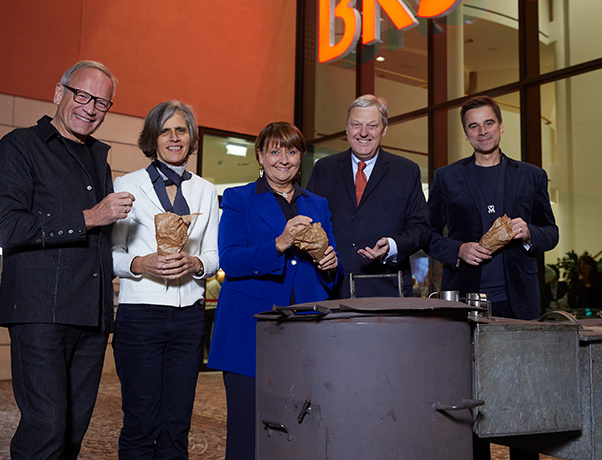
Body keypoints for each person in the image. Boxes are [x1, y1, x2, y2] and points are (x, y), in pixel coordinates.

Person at [0, 60, 134, 459]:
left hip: (90, 317)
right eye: (82, 96)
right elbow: (8, 228)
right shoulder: (18, 146)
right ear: (59, 93)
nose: (90, 108)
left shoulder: (97, 160)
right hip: (39, 313)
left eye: (102, 103)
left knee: (71, 432)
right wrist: (92, 216)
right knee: (45, 429)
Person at [427, 95, 558, 460]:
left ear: (501, 126)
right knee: (471, 396)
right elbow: (427, 233)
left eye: (488, 123)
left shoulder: (531, 176)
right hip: (467, 305)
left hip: (519, 304)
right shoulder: (447, 177)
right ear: (466, 133)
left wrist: (529, 232)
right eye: (473, 126)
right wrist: (458, 249)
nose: (482, 131)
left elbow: (552, 231)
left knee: (521, 395)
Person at [207, 122, 341, 460]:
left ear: (301, 157)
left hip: (305, 333)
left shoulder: (318, 203)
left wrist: (329, 265)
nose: (283, 159)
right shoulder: (238, 198)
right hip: (249, 333)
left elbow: (330, 269)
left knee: (299, 430)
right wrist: (280, 243)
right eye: (275, 150)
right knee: (246, 433)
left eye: (292, 151)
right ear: (261, 156)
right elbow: (231, 261)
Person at [111, 100, 219, 459]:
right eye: (165, 130)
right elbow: (111, 254)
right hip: (140, 315)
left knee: (177, 423)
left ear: (191, 138)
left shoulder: (205, 189)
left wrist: (195, 263)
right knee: (141, 422)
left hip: (188, 317)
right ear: (153, 138)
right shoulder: (127, 184)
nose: (174, 138)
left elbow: (213, 254)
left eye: (181, 130)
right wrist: (141, 264)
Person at [306, 94, 430, 298]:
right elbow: (311, 224)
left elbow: (422, 229)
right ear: (347, 128)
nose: (363, 133)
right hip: (332, 290)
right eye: (356, 125)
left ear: (384, 129)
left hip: (386, 291)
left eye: (372, 126)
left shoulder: (406, 171)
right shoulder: (323, 169)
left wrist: (392, 246)